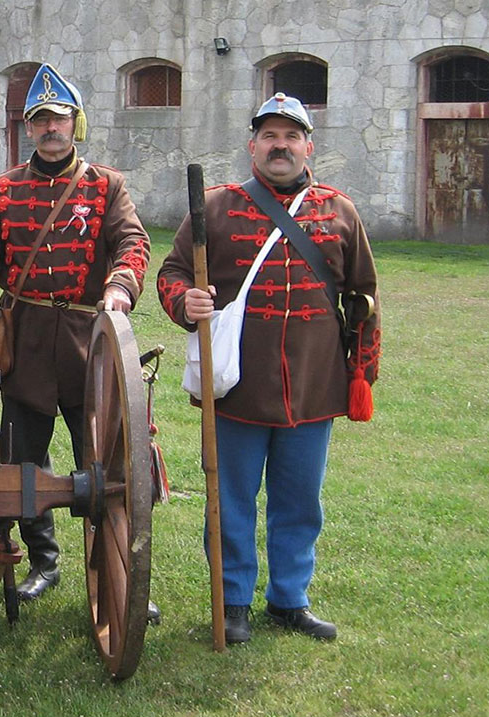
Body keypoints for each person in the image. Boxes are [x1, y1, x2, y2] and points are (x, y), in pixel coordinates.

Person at [157, 92, 381, 644]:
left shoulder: (340, 211)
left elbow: (365, 297)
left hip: (313, 385)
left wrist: (360, 377)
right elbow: (171, 274)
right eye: (269, 136)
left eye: (291, 136)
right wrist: (185, 302)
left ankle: (289, 599)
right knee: (230, 498)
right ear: (252, 145)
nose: (280, 146)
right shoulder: (215, 207)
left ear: (309, 146)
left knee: (300, 499)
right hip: (237, 385)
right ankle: (232, 600)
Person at [0, 64, 151, 603]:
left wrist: (119, 289)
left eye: (57, 118)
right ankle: (44, 560)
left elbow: (132, 242)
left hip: (90, 336)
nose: (49, 129)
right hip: (28, 338)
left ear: (75, 122)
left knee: (107, 462)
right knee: (21, 460)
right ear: (28, 128)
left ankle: (119, 567)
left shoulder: (107, 186)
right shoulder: (4, 189)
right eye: (38, 120)